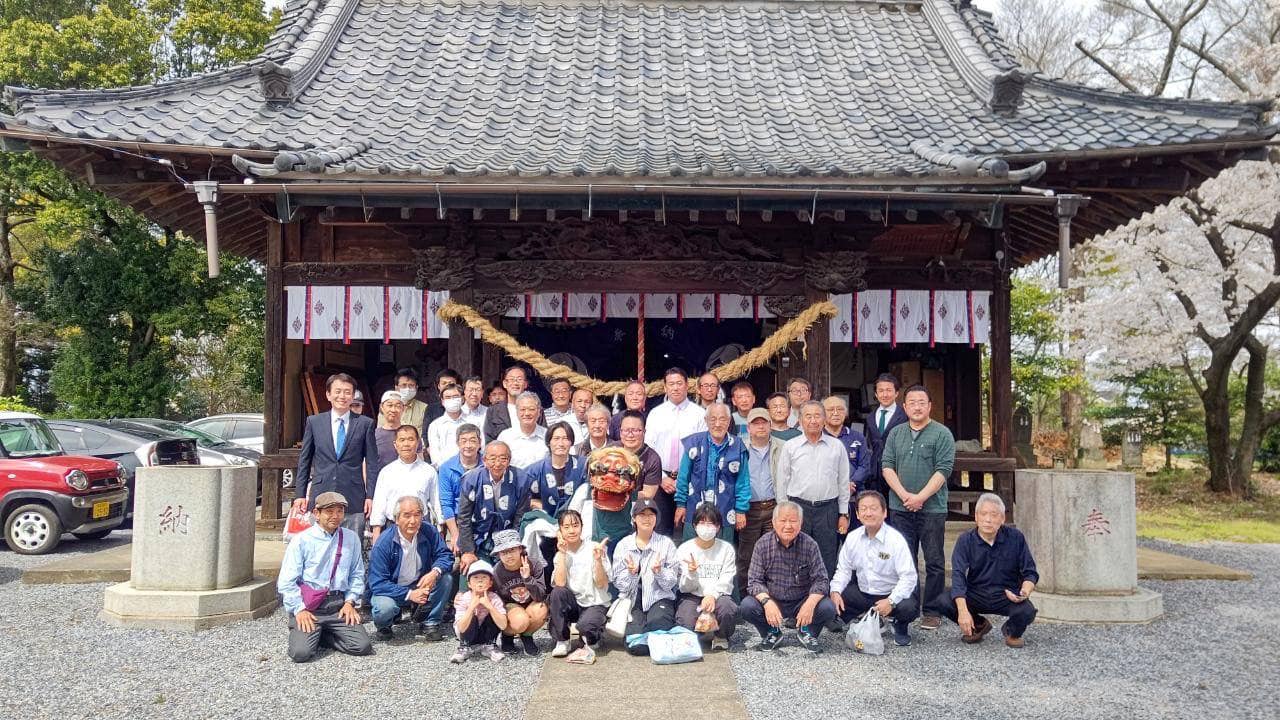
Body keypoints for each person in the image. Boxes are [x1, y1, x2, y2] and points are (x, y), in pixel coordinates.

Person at [882, 384, 955, 630]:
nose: (916, 406)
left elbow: (943, 470)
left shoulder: (942, 433)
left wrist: (920, 497)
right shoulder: (896, 433)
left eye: (921, 402)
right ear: (904, 407)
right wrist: (905, 496)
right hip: (900, 507)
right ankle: (908, 606)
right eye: (911, 402)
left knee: (934, 560)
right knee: (905, 559)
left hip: (932, 508)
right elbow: (887, 466)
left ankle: (932, 610)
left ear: (929, 406)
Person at [278, 491, 372, 662]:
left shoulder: (350, 538)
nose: (335, 516)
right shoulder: (301, 540)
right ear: (316, 513)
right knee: (301, 653)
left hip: (338, 605)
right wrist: (299, 609)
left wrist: (350, 602)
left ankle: (323, 634)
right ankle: (306, 629)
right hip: (310, 605)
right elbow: (287, 581)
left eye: (340, 511)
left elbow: (357, 573)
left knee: (362, 646)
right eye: (329, 511)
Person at [941, 493, 1039, 648]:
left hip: (1006, 594)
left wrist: (1024, 592)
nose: (988, 519)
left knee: (1027, 611)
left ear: (1002, 519)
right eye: (983, 514)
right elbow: (958, 575)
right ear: (976, 517)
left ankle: (1012, 631)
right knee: (943, 600)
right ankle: (979, 625)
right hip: (977, 593)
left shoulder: (1015, 537)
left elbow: (1030, 572)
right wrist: (963, 611)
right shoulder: (965, 540)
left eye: (994, 515)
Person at [741, 501, 837, 652]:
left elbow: (822, 580)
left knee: (828, 607)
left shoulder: (810, 544)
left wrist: (810, 604)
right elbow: (754, 582)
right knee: (747, 606)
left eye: (793, 521)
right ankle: (771, 632)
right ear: (773, 522)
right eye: (783, 520)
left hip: (801, 600)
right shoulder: (762, 544)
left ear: (800, 523)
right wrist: (767, 602)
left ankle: (808, 631)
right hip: (773, 598)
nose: (788, 526)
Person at [294, 373, 383, 534]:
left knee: (352, 545)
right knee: (320, 546)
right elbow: (304, 460)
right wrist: (300, 494)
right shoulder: (314, 422)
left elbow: (371, 463)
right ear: (328, 394)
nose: (342, 396)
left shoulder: (365, 424)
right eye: (338, 391)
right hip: (322, 492)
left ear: (353, 395)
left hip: (354, 495)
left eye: (347, 392)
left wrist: (371, 495)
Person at [829, 490, 919, 647]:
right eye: (863, 509)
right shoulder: (853, 537)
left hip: (889, 593)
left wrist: (891, 601)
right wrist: (835, 591)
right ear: (857, 514)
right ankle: (869, 618)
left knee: (909, 606)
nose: (868, 513)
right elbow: (844, 570)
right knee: (832, 598)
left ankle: (900, 625)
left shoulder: (895, 540)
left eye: (873, 508)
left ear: (884, 513)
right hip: (864, 592)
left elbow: (909, 577)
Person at [776, 400, 850, 576]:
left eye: (817, 416)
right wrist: (783, 512)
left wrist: (843, 513)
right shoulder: (791, 446)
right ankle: (797, 596)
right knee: (795, 554)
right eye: (808, 416)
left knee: (827, 555)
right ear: (800, 420)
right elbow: (782, 481)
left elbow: (843, 482)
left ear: (824, 420)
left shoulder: (836, 446)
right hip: (798, 508)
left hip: (827, 509)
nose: (813, 420)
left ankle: (824, 598)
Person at [368, 495, 455, 642]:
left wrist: (434, 572)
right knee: (384, 608)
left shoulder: (429, 531)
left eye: (417, 514)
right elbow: (377, 583)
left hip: (419, 583)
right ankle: (385, 625)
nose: (413, 521)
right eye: (406, 515)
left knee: (445, 578)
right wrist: (410, 594)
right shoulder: (384, 542)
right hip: (392, 589)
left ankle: (430, 622)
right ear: (396, 519)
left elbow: (445, 556)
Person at [610, 497, 679, 655]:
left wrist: (659, 571)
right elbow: (619, 584)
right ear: (634, 518)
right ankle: (645, 634)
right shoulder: (624, 545)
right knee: (636, 646)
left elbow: (671, 584)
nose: (647, 519)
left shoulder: (666, 544)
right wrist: (631, 573)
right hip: (633, 600)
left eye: (651, 515)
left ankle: (657, 632)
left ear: (657, 518)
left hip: (659, 597)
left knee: (658, 625)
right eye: (642, 515)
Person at [673, 403, 749, 543]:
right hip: (695, 504)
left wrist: (741, 510)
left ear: (729, 421)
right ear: (706, 420)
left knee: (722, 552)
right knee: (691, 551)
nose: (718, 424)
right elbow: (683, 476)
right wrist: (681, 505)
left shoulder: (738, 446)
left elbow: (743, 481)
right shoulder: (693, 442)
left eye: (722, 419)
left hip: (725, 508)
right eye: (713, 419)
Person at [646, 368, 707, 533]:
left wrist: (683, 479)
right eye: (671, 384)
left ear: (687, 385)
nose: (675, 388)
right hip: (659, 480)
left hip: (689, 481)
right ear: (665, 387)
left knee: (687, 529)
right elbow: (648, 450)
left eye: (679, 383)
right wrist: (661, 478)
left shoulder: (700, 414)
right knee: (659, 530)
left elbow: (702, 452)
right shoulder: (656, 414)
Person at [456, 441, 533, 569]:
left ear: (509, 460)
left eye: (503, 459)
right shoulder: (471, 479)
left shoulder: (521, 479)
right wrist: (468, 551)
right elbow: (464, 517)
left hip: (507, 535)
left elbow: (521, 516)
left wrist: (512, 546)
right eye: (492, 459)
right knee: (471, 576)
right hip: (477, 537)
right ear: (484, 460)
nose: (497, 464)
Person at [592, 411, 664, 549]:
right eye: (626, 430)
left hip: (632, 514)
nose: (630, 435)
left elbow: (648, 494)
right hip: (605, 512)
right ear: (620, 431)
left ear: (644, 432)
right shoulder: (610, 450)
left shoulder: (652, 458)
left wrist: (621, 490)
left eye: (635, 430)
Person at [548, 509, 611, 662]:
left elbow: (602, 583)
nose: (571, 530)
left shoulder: (594, 547)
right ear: (560, 530)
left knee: (586, 627)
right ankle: (562, 640)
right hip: (574, 603)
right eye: (566, 527)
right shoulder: (560, 554)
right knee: (557, 593)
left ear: (582, 527)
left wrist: (597, 560)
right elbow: (560, 583)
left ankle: (594, 636)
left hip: (595, 603)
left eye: (575, 525)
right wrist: (562, 553)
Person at [675, 503, 739, 650]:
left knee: (728, 608)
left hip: (717, 596)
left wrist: (712, 595)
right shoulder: (685, 549)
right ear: (695, 526)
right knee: (685, 622)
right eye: (702, 523)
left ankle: (721, 636)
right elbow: (684, 587)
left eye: (711, 523)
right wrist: (691, 573)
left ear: (718, 527)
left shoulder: (726, 549)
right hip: (692, 595)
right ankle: (698, 634)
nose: (706, 527)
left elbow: (726, 579)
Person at [737, 408, 784, 597]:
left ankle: (773, 597)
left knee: (775, 555)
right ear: (748, 427)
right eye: (755, 423)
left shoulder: (783, 446)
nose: (760, 426)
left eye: (764, 422)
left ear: (770, 425)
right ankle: (746, 598)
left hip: (774, 507)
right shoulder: (739, 447)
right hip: (749, 509)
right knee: (746, 556)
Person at [369, 425, 441, 544]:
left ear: (418, 443)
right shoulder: (386, 472)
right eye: (402, 440)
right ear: (395, 445)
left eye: (410, 439)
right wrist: (376, 535)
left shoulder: (429, 471)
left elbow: (436, 503)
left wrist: (440, 531)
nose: (406, 444)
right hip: (392, 528)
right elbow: (379, 506)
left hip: (422, 528)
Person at [489, 529, 548, 656]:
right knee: (520, 621)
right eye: (504, 552)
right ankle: (507, 636)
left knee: (542, 609)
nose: (509, 556)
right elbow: (495, 599)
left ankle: (527, 636)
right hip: (511, 605)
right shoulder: (496, 572)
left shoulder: (534, 564)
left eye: (512, 550)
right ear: (498, 554)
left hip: (532, 602)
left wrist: (527, 578)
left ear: (520, 549)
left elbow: (540, 595)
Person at [450, 560, 508, 663]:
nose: (480, 581)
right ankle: (464, 647)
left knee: (494, 613)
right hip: (467, 633)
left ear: (490, 583)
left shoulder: (494, 598)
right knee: (471, 617)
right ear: (469, 584)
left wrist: (489, 606)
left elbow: (503, 625)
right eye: (475, 578)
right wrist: (471, 607)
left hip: (485, 632)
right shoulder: (464, 598)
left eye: (484, 577)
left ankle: (489, 645)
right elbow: (461, 627)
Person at [438, 423, 483, 553]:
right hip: (458, 522)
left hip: (484, 520)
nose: (468, 445)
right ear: (458, 443)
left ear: (479, 443)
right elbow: (447, 504)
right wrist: (455, 534)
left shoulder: (487, 464)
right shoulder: (446, 468)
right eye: (464, 441)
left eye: (472, 441)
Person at [823, 395, 872, 511]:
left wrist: (850, 484)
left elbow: (864, 466)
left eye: (840, 409)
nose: (835, 413)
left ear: (846, 413)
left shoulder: (857, 437)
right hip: (826, 497)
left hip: (855, 495)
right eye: (830, 409)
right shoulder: (818, 437)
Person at [527, 422, 586, 519]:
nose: (561, 444)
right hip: (546, 520)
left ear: (571, 442)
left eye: (565, 439)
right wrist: (536, 504)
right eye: (556, 439)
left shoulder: (583, 465)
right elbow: (522, 495)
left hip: (578, 520)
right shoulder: (535, 470)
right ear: (548, 442)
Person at [865, 373, 907, 497]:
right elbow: (869, 443)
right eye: (881, 391)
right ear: (876, 394)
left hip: (897, 470)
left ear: (896, 393)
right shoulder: (870, 417)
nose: (885, 394)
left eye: (889, 390)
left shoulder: (904, 415)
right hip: (874, 472)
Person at [483, 366, 544, 442]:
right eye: (511, 379)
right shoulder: (493, 410)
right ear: (505, 384)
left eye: (519, 379)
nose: (515, 383)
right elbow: (489, 439)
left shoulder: (537, 409)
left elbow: (544, 435)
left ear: (525, 384)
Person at [497, 391, 549, 469]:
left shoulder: (548, 435)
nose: (527, 413)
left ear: (539, 412)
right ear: (517, 412)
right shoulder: (505, 437)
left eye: (531, 409)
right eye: (523, 409)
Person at [426, 383, 468, 467]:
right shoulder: (435, 426)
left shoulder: (472, 422)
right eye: (448, 397)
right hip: (444, 471)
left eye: (456, 397)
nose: (452, 400)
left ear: (462, 399)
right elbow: (435, 454)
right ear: (442, 401)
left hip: (470, 472)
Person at [380, 368, 429, 435]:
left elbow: (426, 435)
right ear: (396, 387)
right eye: (404, 385)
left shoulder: (425, 408)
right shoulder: (387, 408)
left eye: (411, 385)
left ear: (416, 387)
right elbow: (381, 432)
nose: (407, 389)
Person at [373, 391, 407, 465]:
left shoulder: (410, 434)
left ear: (403, 409)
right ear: (381, 407)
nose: (393, 410)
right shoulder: (373, 435)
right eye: (389, 405)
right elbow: (366, 463)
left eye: (398, 406)